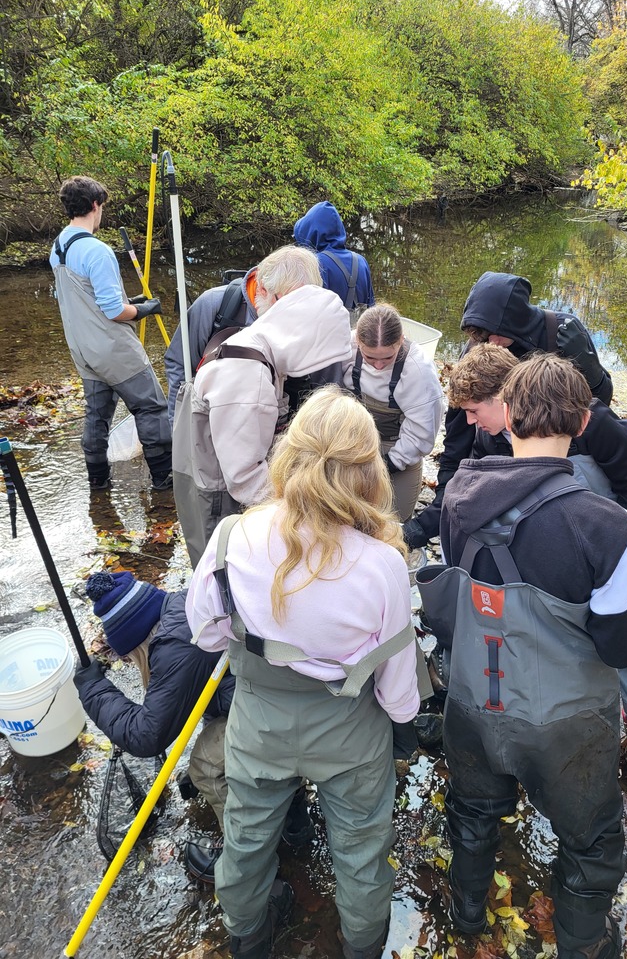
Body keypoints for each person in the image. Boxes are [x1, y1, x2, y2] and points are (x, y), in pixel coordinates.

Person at [417, 354, 627, 959]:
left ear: (507, 418)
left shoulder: (459, 500)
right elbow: (623, 646)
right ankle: (581, 946)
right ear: (581, 423)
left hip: (472, 702)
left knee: (473, 815)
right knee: (592, 843)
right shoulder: (611, 526)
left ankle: (467, 919)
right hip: (565, 723)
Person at [186, 386, 421, 959]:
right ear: (369, 472)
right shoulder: (384, 565)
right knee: (361, 850)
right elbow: (396, 687)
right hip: (348, 733)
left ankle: (248, 938)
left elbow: (206, 632)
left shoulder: (229, 539)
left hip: (259, 726)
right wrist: (405, 723)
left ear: (287, 455)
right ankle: (361, 945)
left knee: (245, 838)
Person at [444, 343, 627, 788]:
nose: (470, 423)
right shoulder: (489, 434)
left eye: (474, 411)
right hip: (554, 541)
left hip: (610, 536)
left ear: (502, 406)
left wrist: (625, 535)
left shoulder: (595, 422)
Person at [73, 570, 313, 883]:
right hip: (293, 698)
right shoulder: (184, 603)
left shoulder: (174, 648)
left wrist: (92, 688)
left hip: (286, 716)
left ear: (138, 641)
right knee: (215, 737)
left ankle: (247, 860)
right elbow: (216, 693)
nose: (133, 663)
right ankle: (293, 817)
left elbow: (146, 735)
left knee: (206, 764)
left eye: (132, 658)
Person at [172, 245, 352, 568]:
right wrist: (302, 510)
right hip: (214, 487)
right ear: (269, 295)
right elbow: (243, 480)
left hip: (226, 462)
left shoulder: (263, 346)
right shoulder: (248, 372)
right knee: (221, 566)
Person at [402, 272, 612, 548]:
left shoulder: (561, 332)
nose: (492, 344)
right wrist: (439, 512)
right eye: (482, 337)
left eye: (497, 335)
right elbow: (458, 439)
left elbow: (600, 406)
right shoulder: (480, 352)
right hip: (507, 458)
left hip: (568, 458)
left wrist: (592, 371)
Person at [50, 175, 172, 491]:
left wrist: (129, 301)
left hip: (83, 349)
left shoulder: (59, 247)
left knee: (97, 417)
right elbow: (113, 311)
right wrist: (144, 309)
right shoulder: (97, 251)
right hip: (112, 348)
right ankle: (164, 479)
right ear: (95, 205)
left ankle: (98, 482)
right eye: (101, 206)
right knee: (151, 407)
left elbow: (87, 299)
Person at [344, 304, 445, 523]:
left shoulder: (419, 370)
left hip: (398, 450)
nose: (378, 366)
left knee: (392, 524)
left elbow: (421, 433)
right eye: (370, 358)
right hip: (355, 444)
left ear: (400, 340)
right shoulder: (345, 348)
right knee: (348, 518)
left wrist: (387, 465)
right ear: (358, 342)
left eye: (387, 358)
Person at [165, 267, 260, 426]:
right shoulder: (211, 303)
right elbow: (178, 363)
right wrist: (179, 427)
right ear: (263, 290)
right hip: (210, 414)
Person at [293, 201, 375, 312]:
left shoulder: (314, 264)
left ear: (311, 233)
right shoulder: (361, 261)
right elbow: (371, 308)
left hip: (326, 329)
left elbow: (305, 312)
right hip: (357, 328)